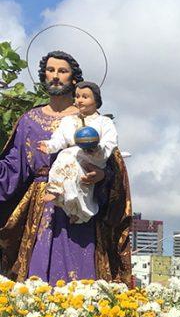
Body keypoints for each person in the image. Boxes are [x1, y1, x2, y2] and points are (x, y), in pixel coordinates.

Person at [0, 50, 131, 284]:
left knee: (81, 273)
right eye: (50, 70)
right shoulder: (29, 120)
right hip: (41, 207)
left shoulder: (91, 121)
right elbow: (12, 168)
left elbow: (113, 165)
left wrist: (101, 175)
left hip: (81, 199)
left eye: (62, 71)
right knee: (37, 274)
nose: (55, 76)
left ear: (74, 79)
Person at [38, 81, 118, 224]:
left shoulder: (104, 122)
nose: (80, 100)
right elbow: (59, 138)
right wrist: (49, 146)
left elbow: (110, 142)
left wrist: (97, 148)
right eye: (77, 96)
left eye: (85, 97)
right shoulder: (68, 121)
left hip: (95, 156)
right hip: (74, 155)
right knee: (71, 176)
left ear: (96, 100)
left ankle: (80, 213)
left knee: (84, 187)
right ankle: (61, 196)